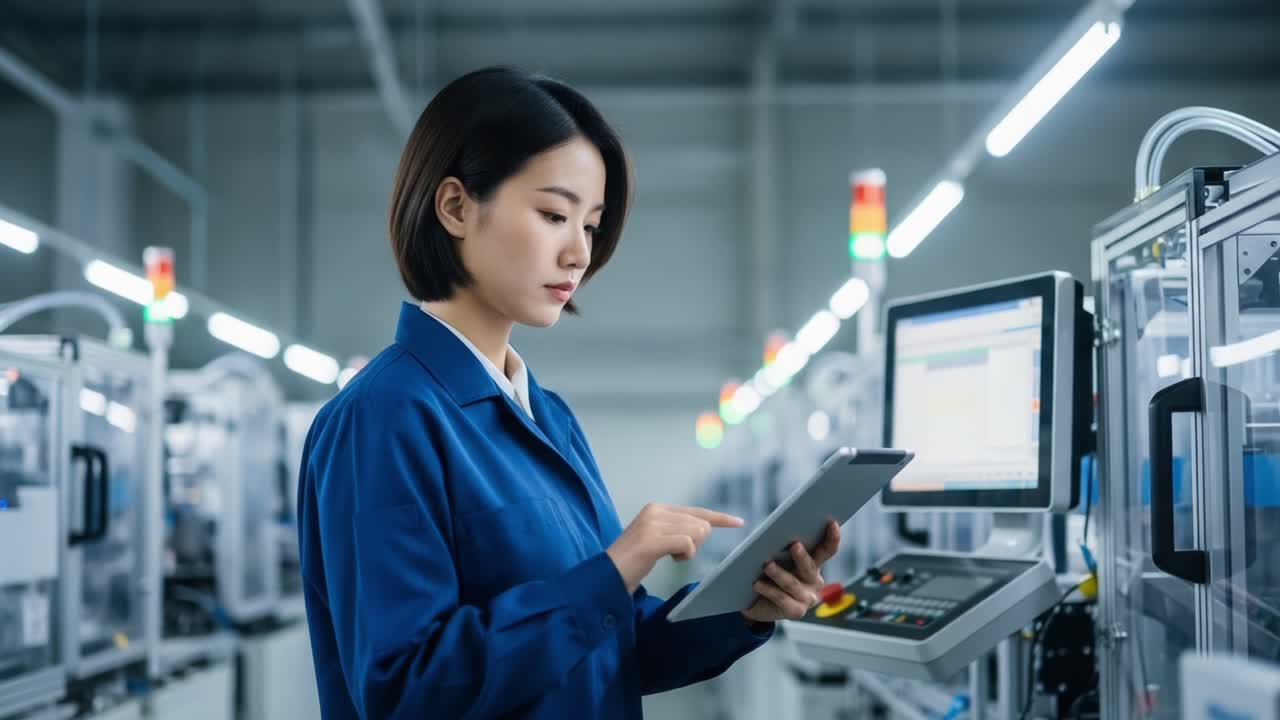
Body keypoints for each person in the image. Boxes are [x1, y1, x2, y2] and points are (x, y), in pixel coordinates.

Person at [296, 66, 843, 719]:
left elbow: (611, 645)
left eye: (590, 224)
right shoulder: (383, 420)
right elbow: (408, 691)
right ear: (455, 207)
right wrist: (614, 569)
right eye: (554, 214)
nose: (579, 252)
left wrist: (742, 610)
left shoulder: (547, 416)